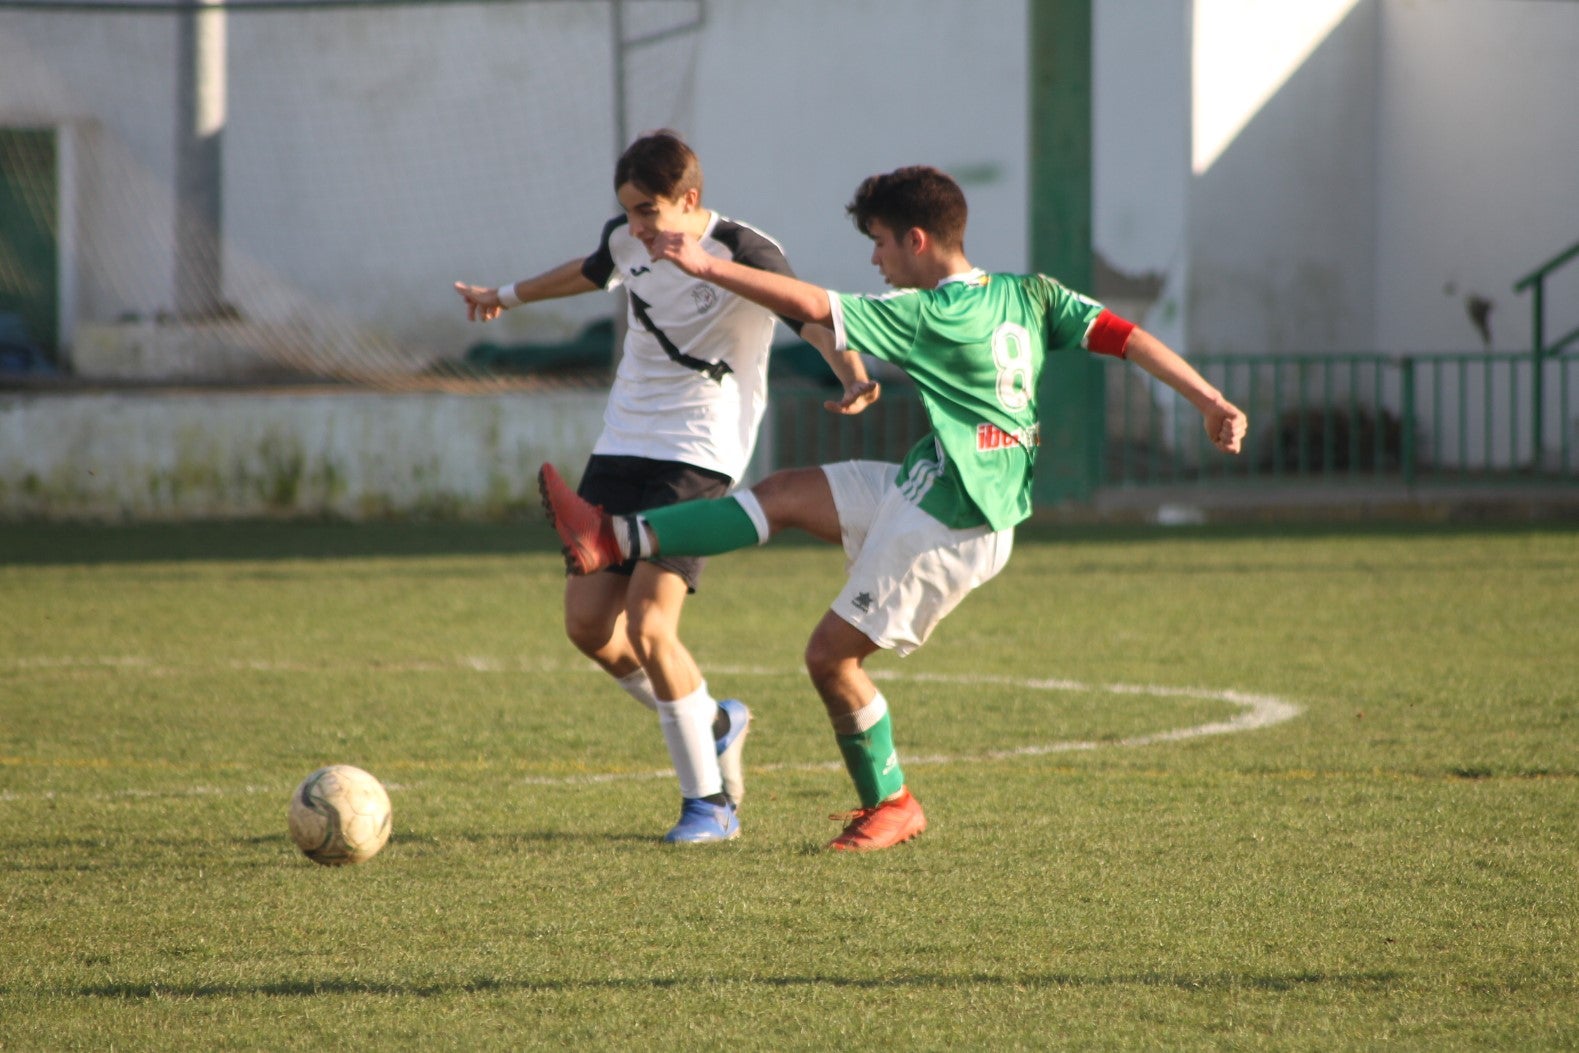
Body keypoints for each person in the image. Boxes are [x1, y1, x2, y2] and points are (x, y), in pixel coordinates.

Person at [538, 165, 1248, 851]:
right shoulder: (1027, 293)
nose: (874, 258)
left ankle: (892, 803)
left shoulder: (929, 314)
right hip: (927, 480)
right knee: (782, 492)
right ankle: (613, 536)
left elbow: (811, 304)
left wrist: (707, 267)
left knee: (828, 657)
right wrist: (1208, 399)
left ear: (915, 239)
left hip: (954, 521)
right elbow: (1126, 336)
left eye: (878, 241)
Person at [455, 130, 824, 844]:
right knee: (590, 627)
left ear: (690, 200)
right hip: (620, 446)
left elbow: (807, 311)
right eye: (628, 212)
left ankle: (710, 805)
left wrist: (851, 374)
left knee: (652, 628)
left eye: (651, 211)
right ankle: (715, 721)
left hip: (698, 457)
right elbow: (592, 269)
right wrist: (503, 295)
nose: (638, 227)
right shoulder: (626, 241)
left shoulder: (746, 251)